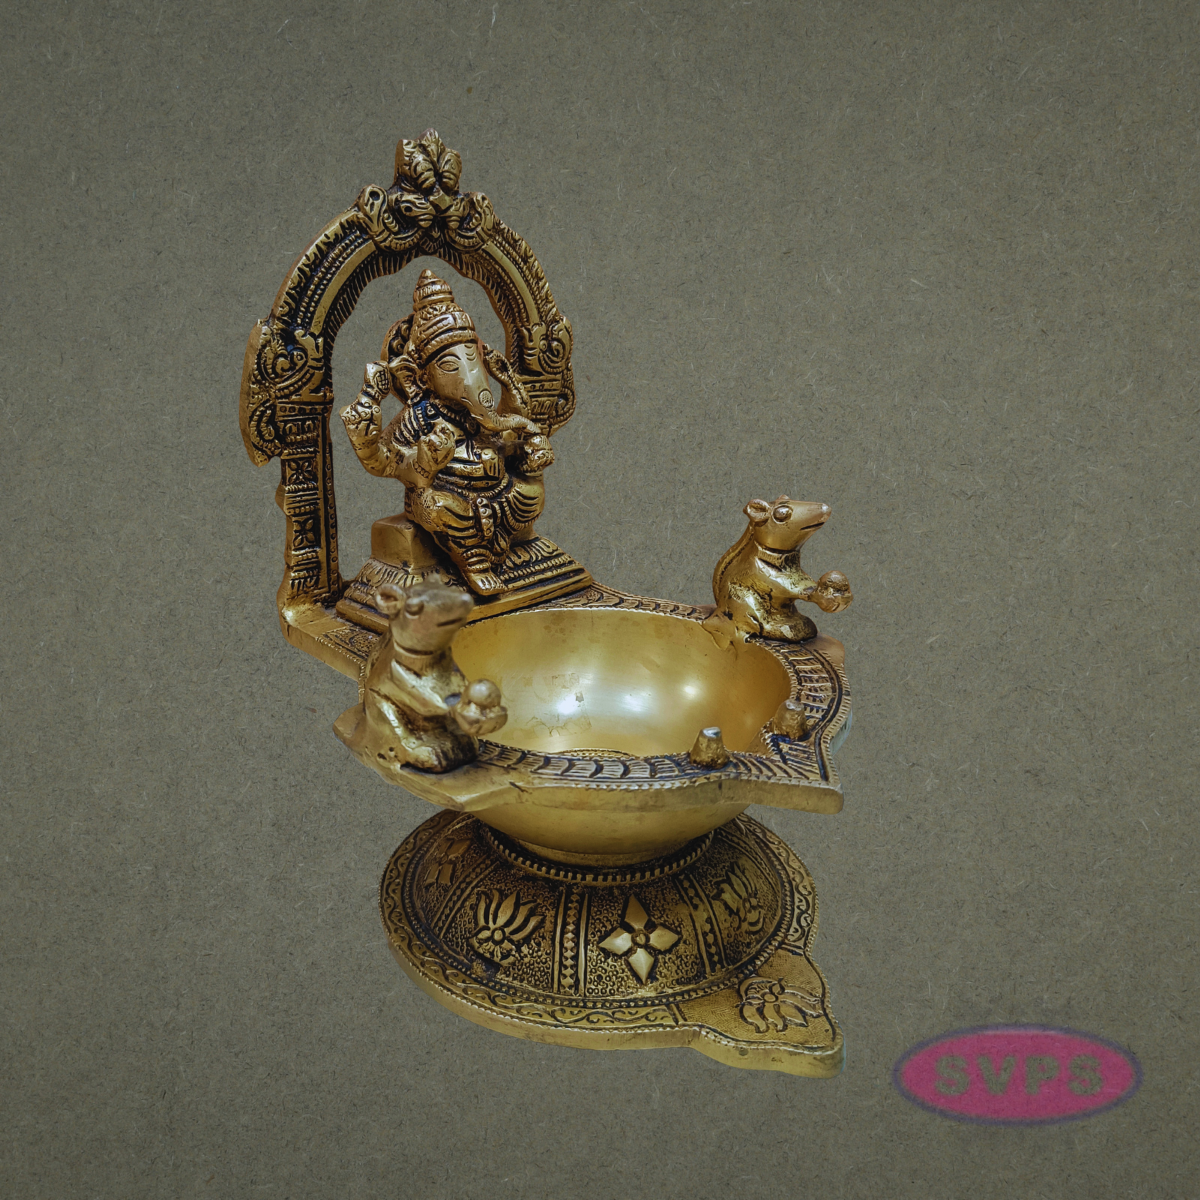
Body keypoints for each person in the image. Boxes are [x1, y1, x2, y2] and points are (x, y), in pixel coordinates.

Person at [341, 270, 554, 595]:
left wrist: (526, 437)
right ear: (421, 377)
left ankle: (502, 545)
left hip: (498, 494)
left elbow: (507, 433)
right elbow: (383, 461)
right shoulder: (420, 416)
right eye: (451, 367)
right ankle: (472, 561)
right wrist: (422, 462)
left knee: (532, 495)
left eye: (472, 360)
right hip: (450, 500)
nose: (469, 375)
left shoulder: (479, 415)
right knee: (437, 508)